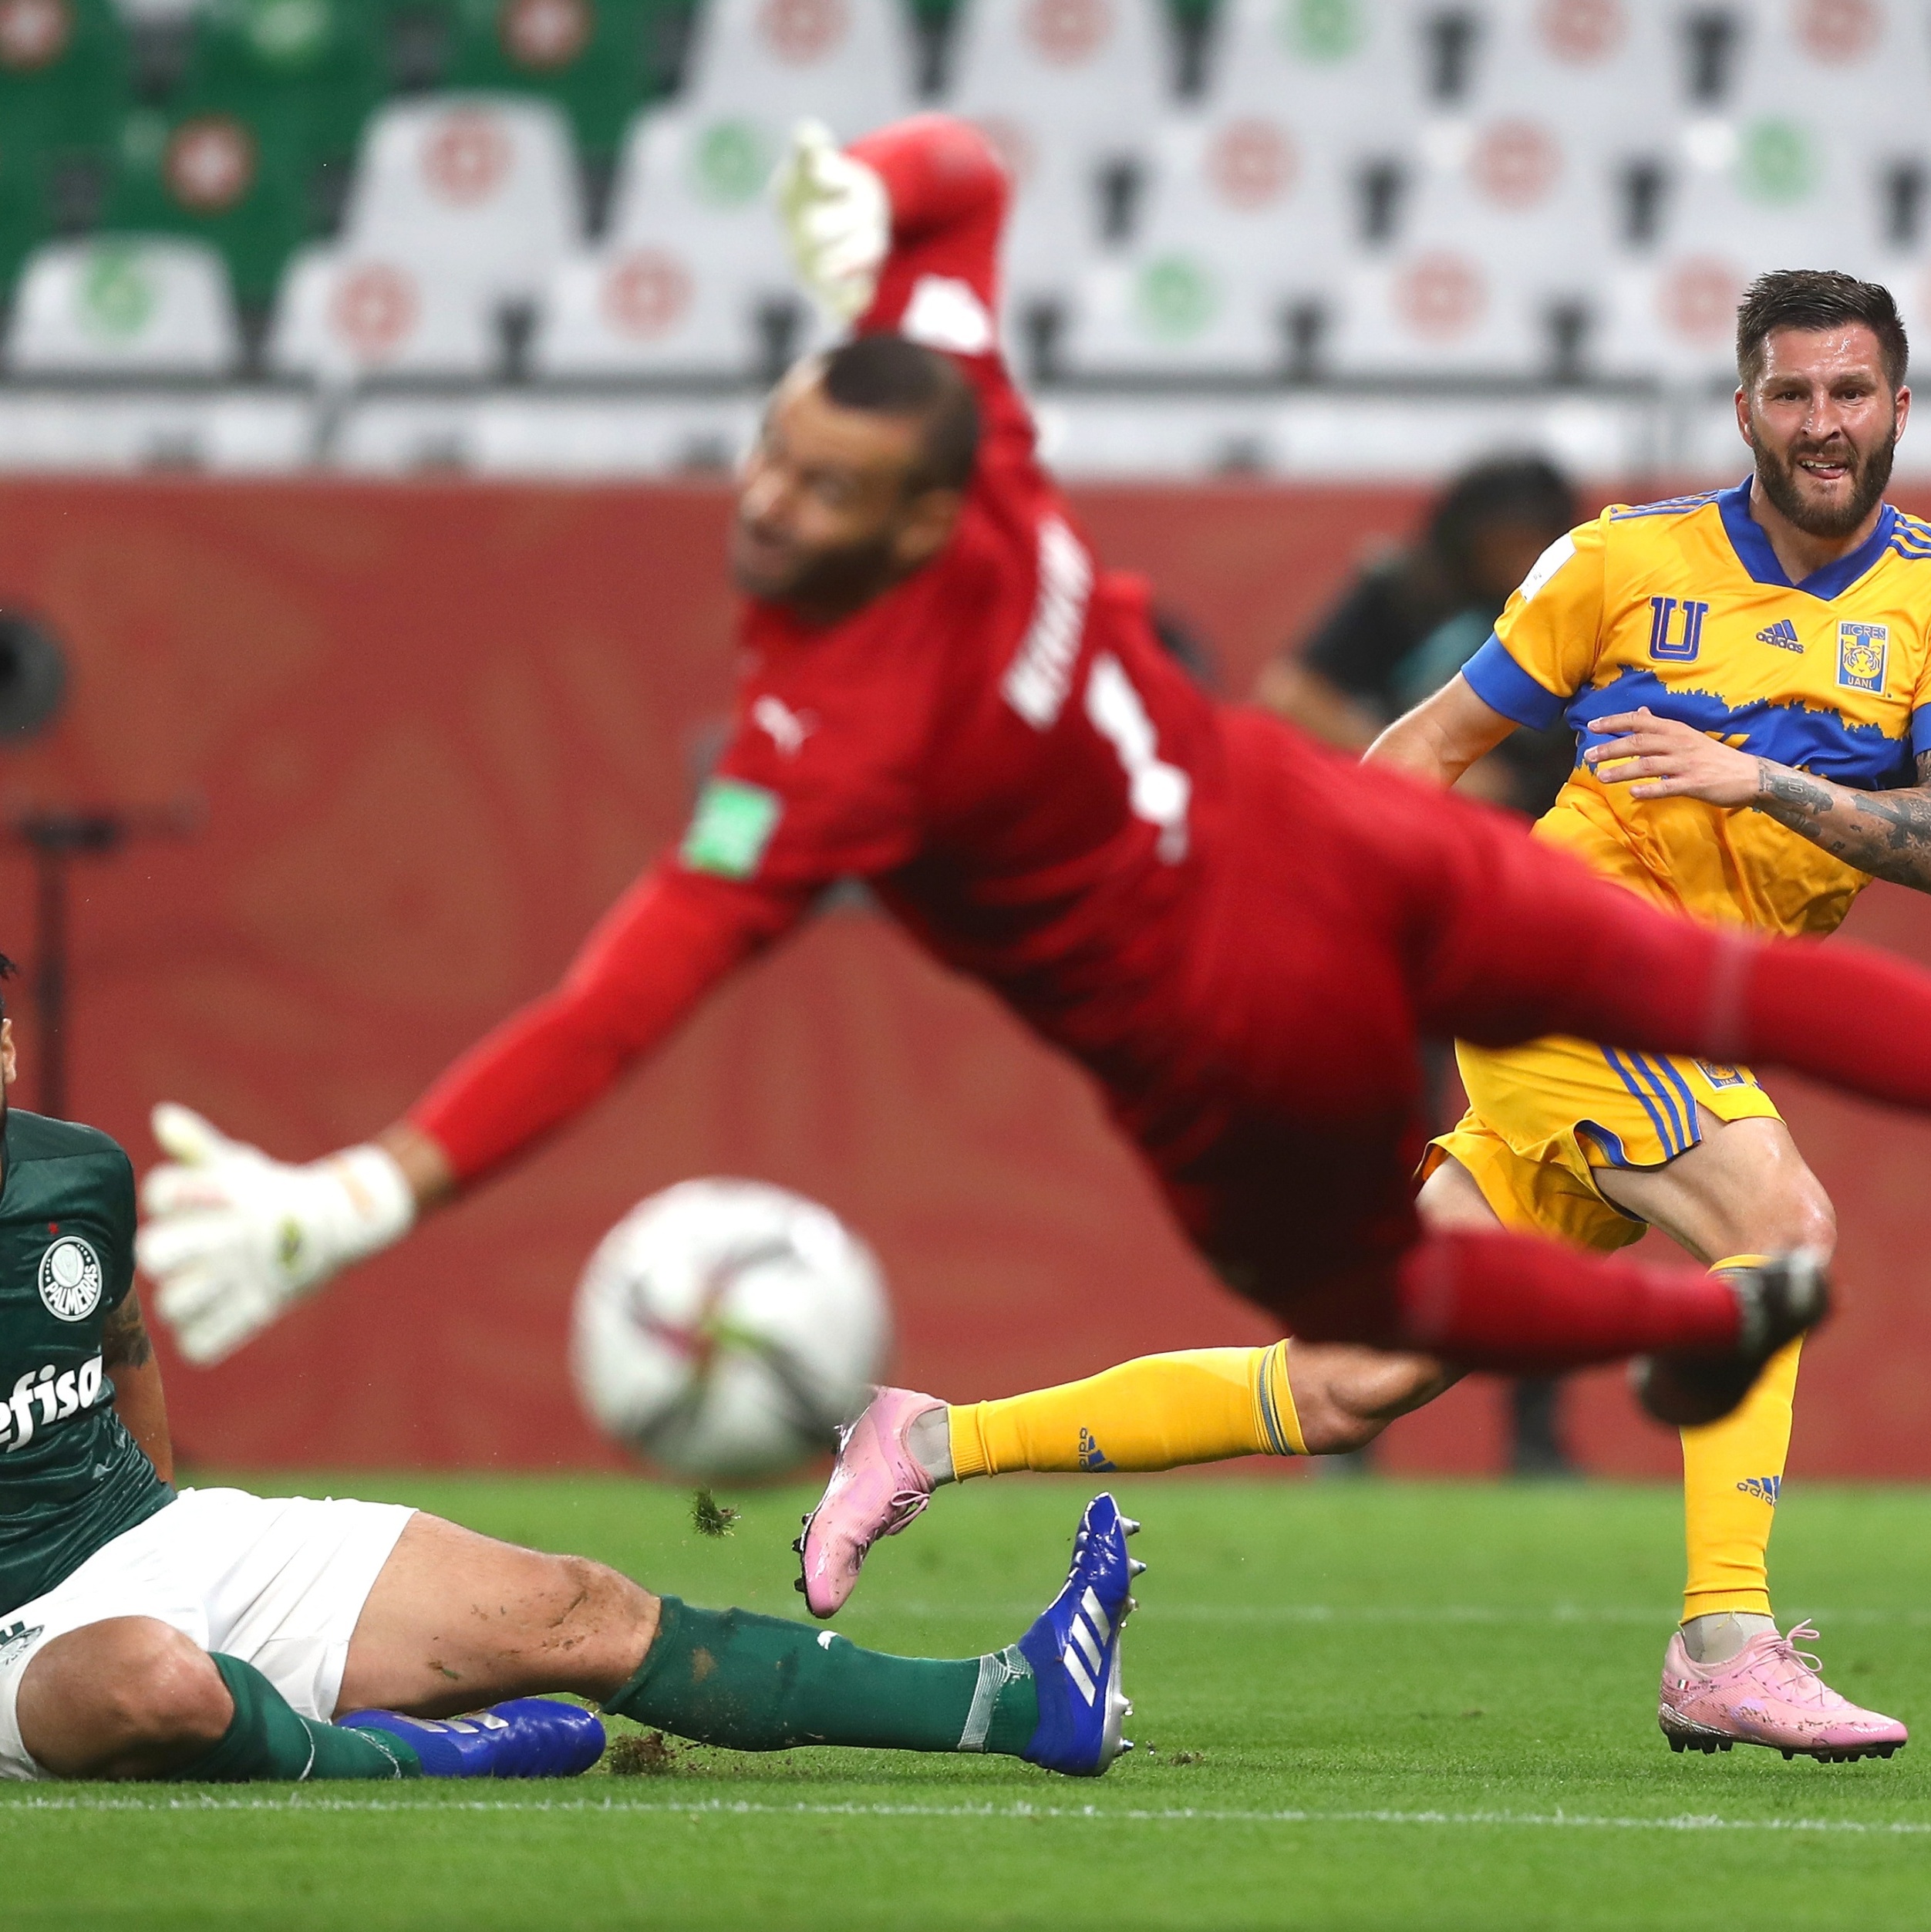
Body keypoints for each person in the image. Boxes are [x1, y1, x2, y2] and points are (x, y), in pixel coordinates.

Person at [137, 120, 1931, 1605]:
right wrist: (379, 1186)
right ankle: (1707, 1550)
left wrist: (878, 185)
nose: (770, 503)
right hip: (1223, 1007)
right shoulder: (819, 750)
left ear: (922, 501)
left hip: (1322, 846)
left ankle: (927, 1434)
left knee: (1368, 1367)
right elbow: (623, 998)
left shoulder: (967, 451)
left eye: (823, 483)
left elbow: (969, 186)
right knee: (1640, 1251)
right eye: (767, 462)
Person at [0, 956, 1141, 1783]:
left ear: (6, 1049)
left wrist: (161, 1535)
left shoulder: (79, 1176)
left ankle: (1019, 1700)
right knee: (157, 1684)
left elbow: (122, 1345)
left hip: (148, 1538)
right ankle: (401, 1759)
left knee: (578, 1605)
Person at [1363, 268, 1927, 1761]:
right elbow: (1418, 754)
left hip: (1702, 1026)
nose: (1823, 421)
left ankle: (929, 1440)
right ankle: (1724, 1639)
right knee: (1784, 1223)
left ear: (1898, 408)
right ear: (1743, 406)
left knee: (1363, 1374)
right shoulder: (1619, 561)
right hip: (1564, 973)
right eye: (1792, 392)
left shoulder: (1927, 600)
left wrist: (1769, 782)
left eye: (1851, 392)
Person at [1259, 455, 1581, 1475]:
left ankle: (1534, 1431)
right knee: (1382, 1158)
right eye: (1503, 533)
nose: (1516, 553)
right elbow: (1290, 693)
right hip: (1400, 918)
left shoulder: (1572, 600)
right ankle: (1343, 1405)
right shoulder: (1403, 593)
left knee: (1555, 1161)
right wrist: (1428, 775)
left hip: (1527, 917)